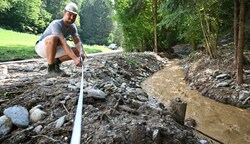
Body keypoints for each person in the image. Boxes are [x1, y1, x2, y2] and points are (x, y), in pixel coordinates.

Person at [35, 2, 85, 77]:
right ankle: (50, 69)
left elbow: (77, 42)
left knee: (77, 51)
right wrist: (75, 59)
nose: (72, 18)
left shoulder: (73, 27)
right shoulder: (56, 24)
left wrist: (81, 52)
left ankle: (56, 63)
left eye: (74, 16)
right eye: (70, 14)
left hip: (56, 48)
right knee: (54, 38)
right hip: (42, 48)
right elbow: (63, 43)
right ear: (64, 13)